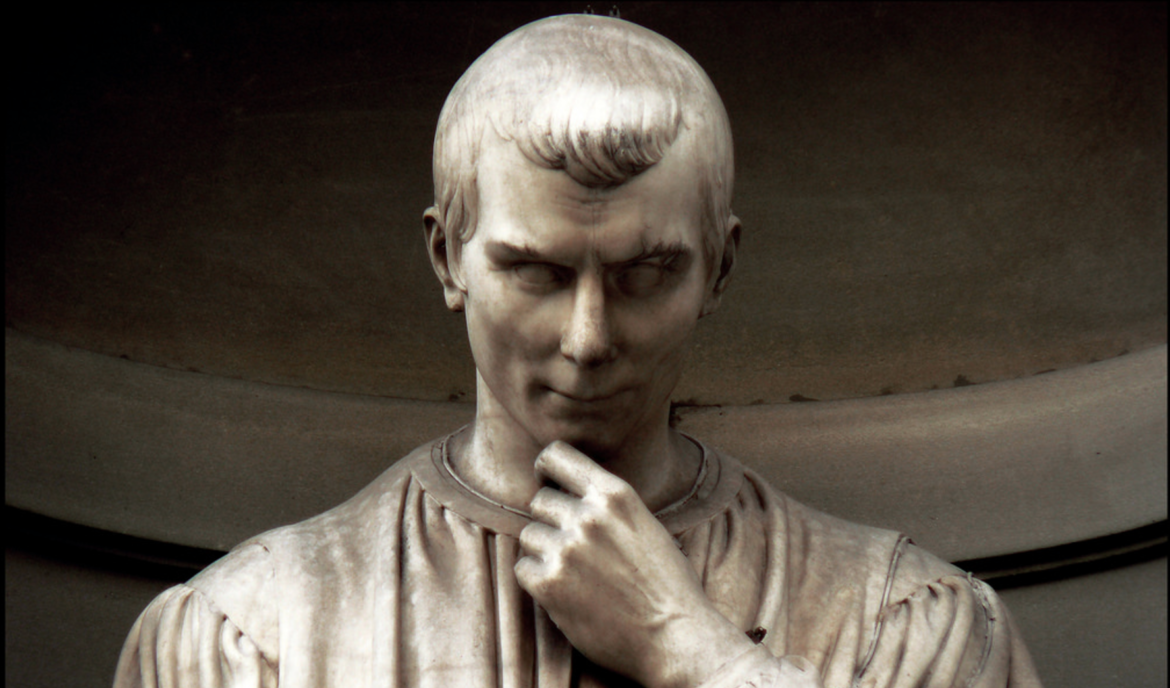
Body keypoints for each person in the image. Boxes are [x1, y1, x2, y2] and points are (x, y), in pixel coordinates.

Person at [114, 14, 1043, 688]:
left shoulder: (909, 629)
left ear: (717, 269)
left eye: (645, 274)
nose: (589, 338)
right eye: (537, 272)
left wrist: (694, 652)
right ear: (448, 257)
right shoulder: (252, 637)